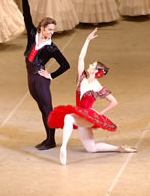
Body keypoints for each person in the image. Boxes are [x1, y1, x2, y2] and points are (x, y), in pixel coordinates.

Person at [48, 28, 137, 165]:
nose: (89, 65)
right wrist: (87, 40)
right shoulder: (81, 78)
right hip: (80, 115)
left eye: (93, 65)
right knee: (91, 149)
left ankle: (64, 148)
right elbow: (81, 57)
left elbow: (114, 102)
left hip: (88, 117)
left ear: (96, 71)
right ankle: (119, 148)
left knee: (68, 117)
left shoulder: (97, 87)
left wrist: (101, 113)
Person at [20, 0, 70, 150]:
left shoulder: (51, 48)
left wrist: (50, 75)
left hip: (41, 80)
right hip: (30, 78)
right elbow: (27, 15)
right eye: (49, 29)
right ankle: (48, 138)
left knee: (48, 109)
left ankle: (51, 140)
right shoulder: (32, 34)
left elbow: (65, 65)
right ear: (41, 28)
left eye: (53, 30)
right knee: (42, 109)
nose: (51, 33)